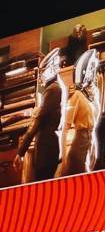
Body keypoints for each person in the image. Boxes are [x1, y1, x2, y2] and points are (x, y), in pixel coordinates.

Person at [15, 48, 66, 183]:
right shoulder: (57, 87)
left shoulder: (53, 90)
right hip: (50, 149)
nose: (40, 76)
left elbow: (38, 121)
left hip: (47, 152)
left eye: (42, 72)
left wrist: (21, 152)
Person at [57, 48, 100, 176]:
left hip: (87, 142)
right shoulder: (76, 96)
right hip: (79, 146)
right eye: (91, 69)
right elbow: (65, 128)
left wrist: (93, 147)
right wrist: (64, 158)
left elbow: (93, 124)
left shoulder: (90, 96)